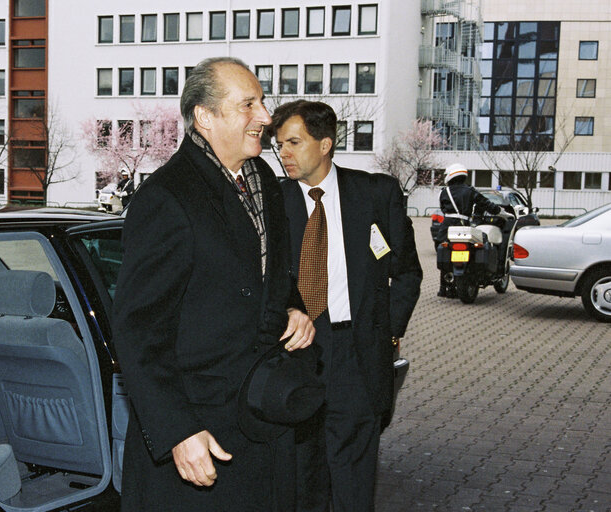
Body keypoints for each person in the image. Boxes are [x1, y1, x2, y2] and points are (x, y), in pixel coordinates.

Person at [112, 57, 315, 512]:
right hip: (199, 432)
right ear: (205, 116)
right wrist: (177, 431)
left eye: (262, 102)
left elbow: (268, 272)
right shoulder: (166, 198)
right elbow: (136, 330)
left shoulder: (261, 177)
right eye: (249, 105)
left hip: (263, 415)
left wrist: (293, 307)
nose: (265, 116)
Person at [270, 100, 423, 512]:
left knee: (354, 479)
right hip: (294, 356)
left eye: (293, 142)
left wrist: (387, 331)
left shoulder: (375, 194)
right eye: (278, 144)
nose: (283, 153)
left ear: (325, 144)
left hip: (356, 354)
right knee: (303, 476)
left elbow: (407, 272)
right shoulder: (272, 202)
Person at [437, 163, 511, 297]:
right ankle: (471, 276)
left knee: (446, 252)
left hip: (446, 226)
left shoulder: (444, 191)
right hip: (463, 224)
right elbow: (486, 204)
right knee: (472, 250)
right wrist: (500, 212)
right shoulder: (470, 190)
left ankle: (444, 288)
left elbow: (442, 208)